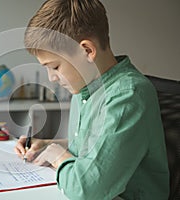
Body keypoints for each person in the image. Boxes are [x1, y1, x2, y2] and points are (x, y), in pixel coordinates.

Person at [14, 0, 170, 199]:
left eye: (55, 67)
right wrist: (47, 146)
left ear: (87, 51)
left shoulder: (128, 95)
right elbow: (91, 147)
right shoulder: (84, 89)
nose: (51, 78)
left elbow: (88, 190)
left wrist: (57, 156)